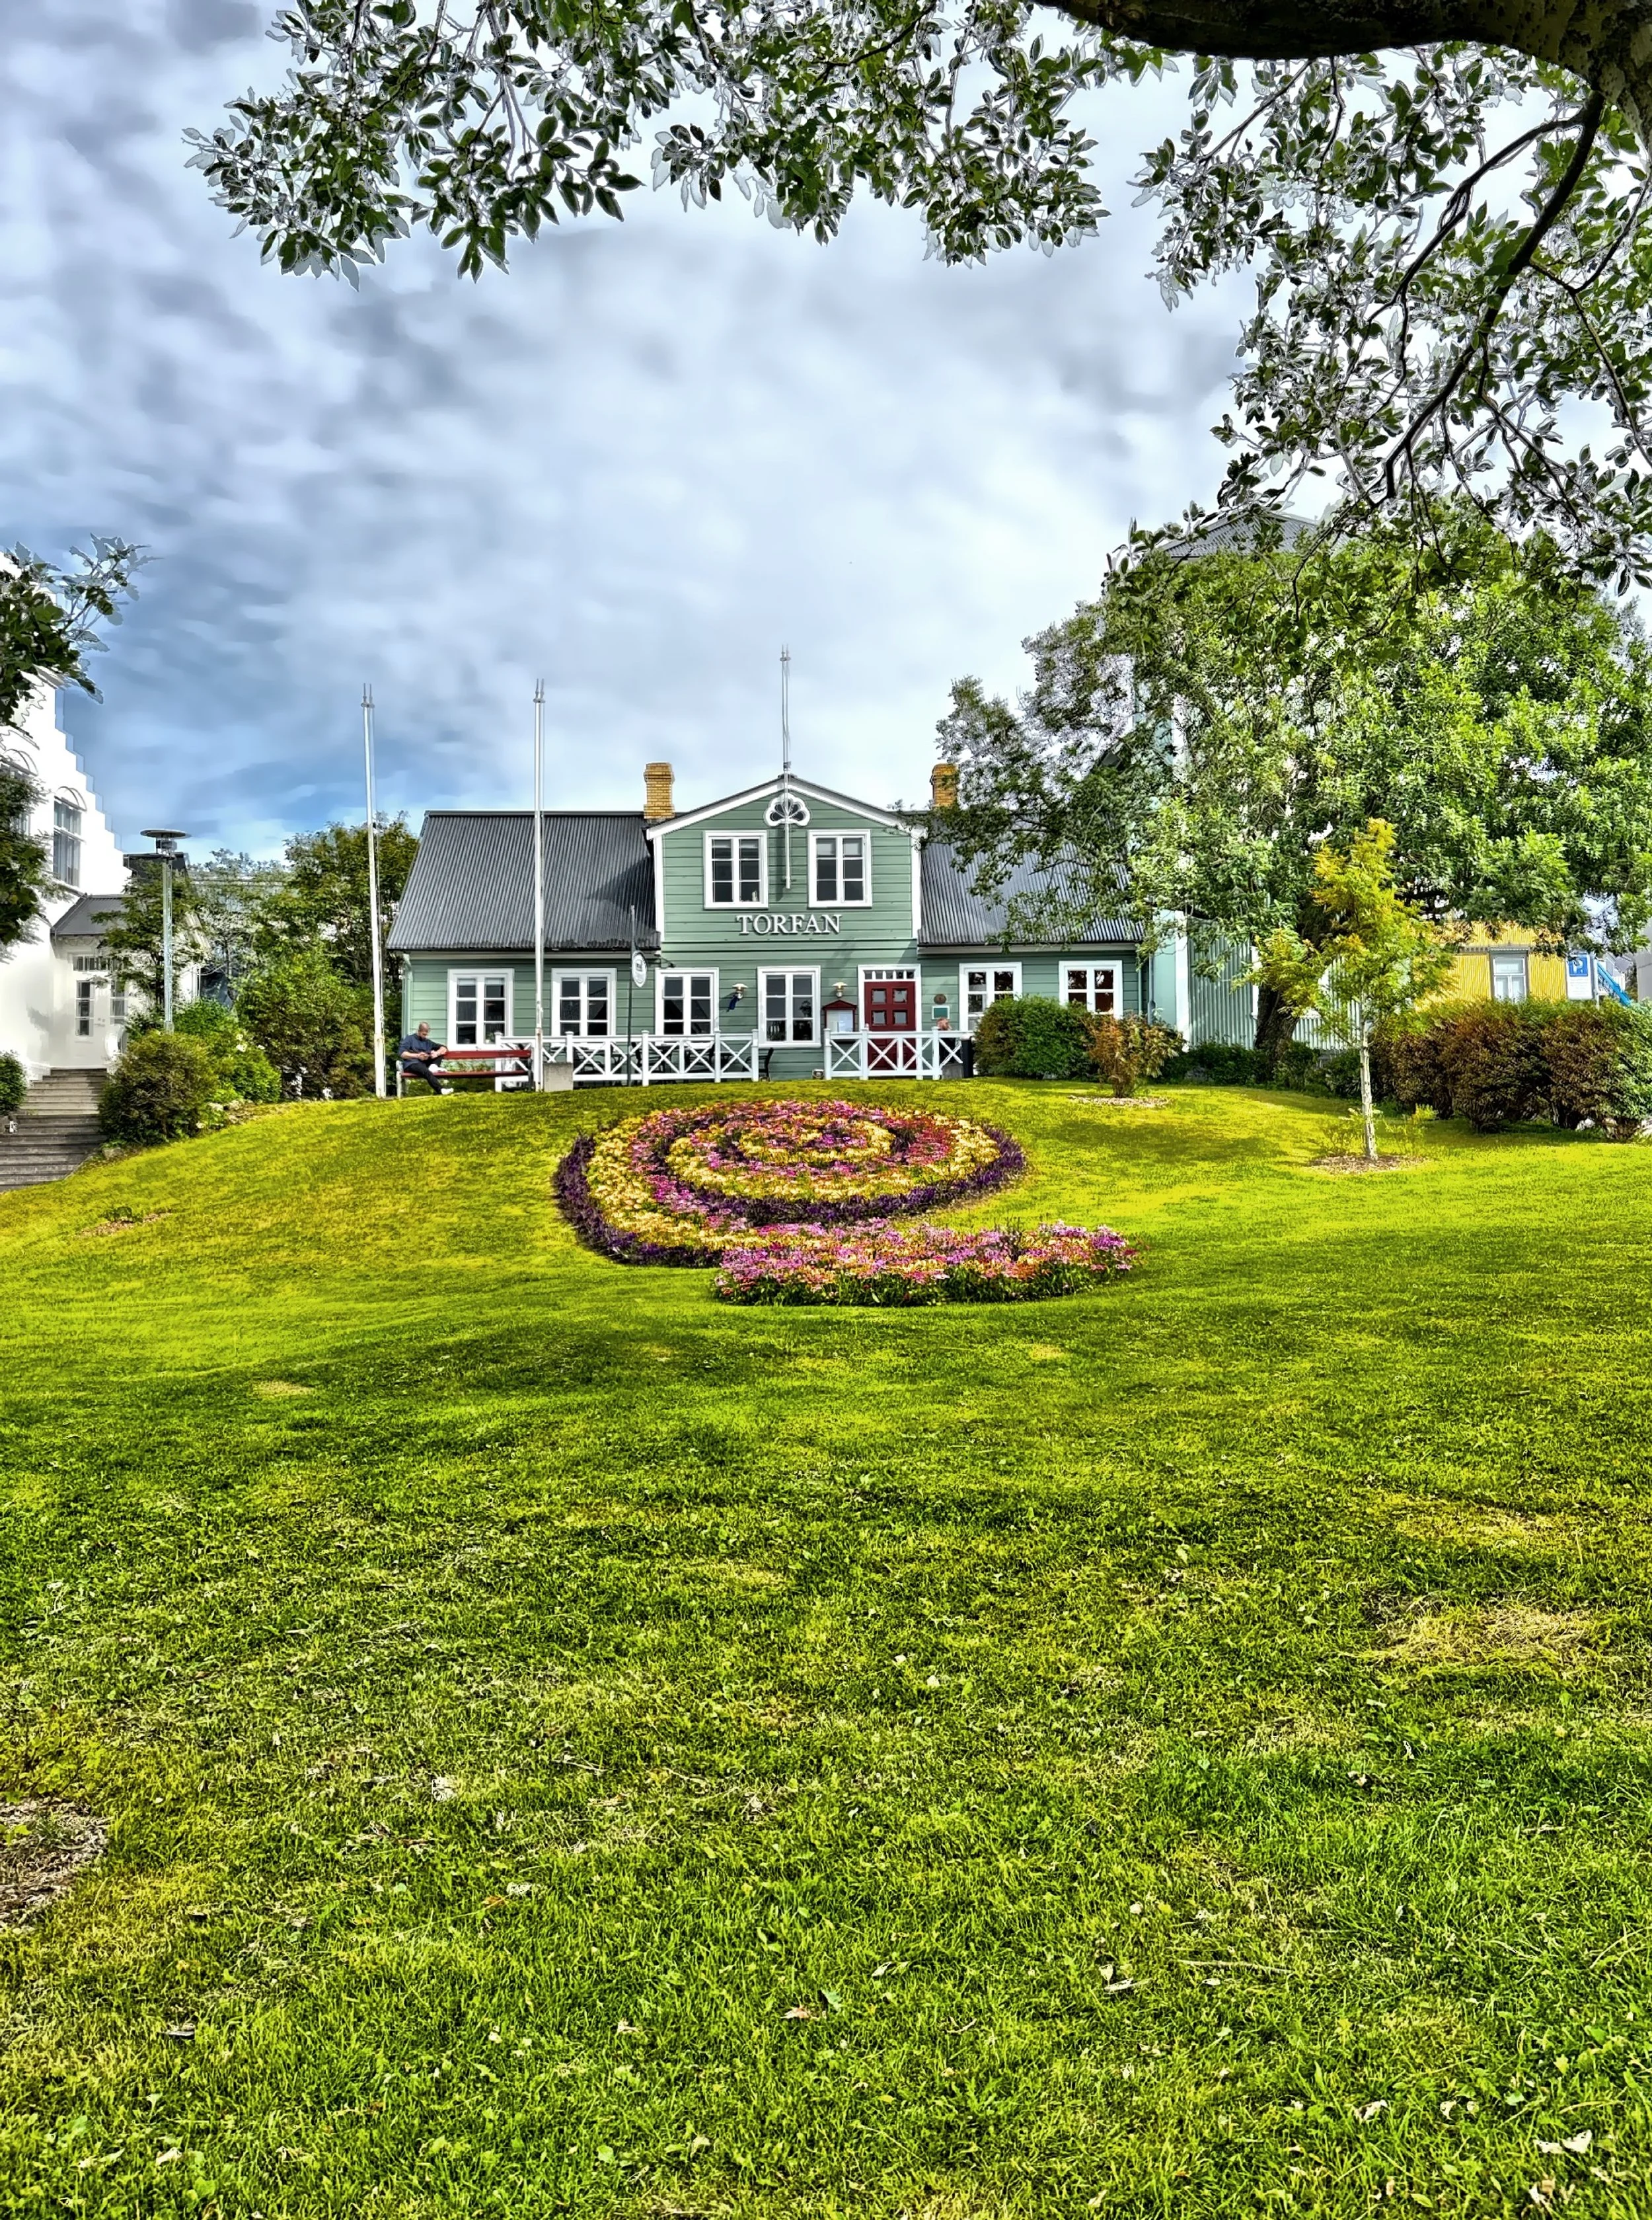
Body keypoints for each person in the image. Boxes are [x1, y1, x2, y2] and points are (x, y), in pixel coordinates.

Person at [398, 1022, 445, 1092]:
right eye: (423, 1034)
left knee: (440, 1054)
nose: (425, 1036)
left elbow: (444, 1048)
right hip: (412, 1063)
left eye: (426, 1035)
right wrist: (417, 1056)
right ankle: (441, 1090)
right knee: (426, 1072)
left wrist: (436, 1054)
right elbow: (402, 1054)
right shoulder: (410, 1039)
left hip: (424, 1063)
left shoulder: (427, 1042)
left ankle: (434, 1067)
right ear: (419, 1031)